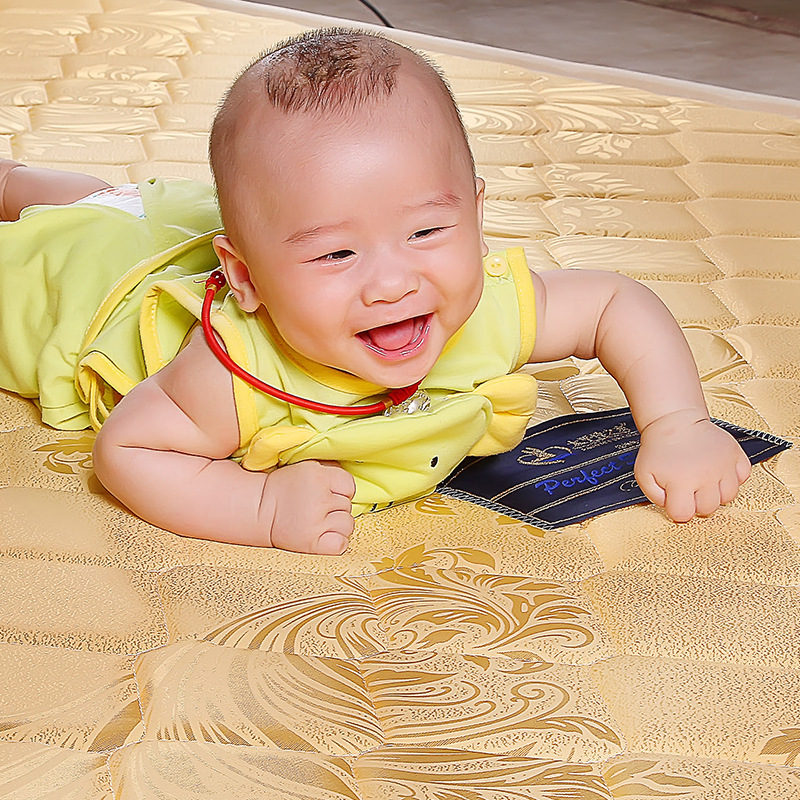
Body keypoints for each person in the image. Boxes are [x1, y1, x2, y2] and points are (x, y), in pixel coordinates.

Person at [0, 28, 750, 555]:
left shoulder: (482, 306)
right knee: (75, 229)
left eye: (426, 233)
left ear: (477, 215)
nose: (393, 282)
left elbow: (619, 302)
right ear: (248, 280)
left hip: (183, 227)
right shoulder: (229, 377)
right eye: (336, 253)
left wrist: (677, 422)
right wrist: (258, 507)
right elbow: (128, 449)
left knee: (120, 202)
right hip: (89, 287)